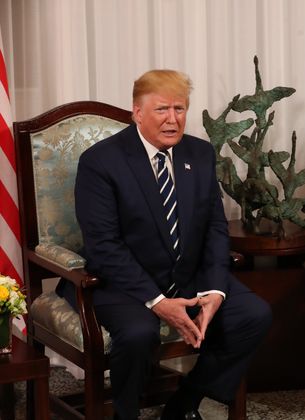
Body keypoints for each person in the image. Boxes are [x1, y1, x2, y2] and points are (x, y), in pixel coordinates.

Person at [58, 69, 272, 420]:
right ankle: (125, 414)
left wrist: (216, 290)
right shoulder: (101, 162)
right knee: (139, 333)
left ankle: (183, 404)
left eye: (180, 108)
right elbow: (104, 246)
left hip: (187, 275)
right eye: (161, 110)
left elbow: (216, 228)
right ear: (137, 112)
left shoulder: (200, 154)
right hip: (121, 283)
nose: (173, 119)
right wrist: (158, 302)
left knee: (253, 315)